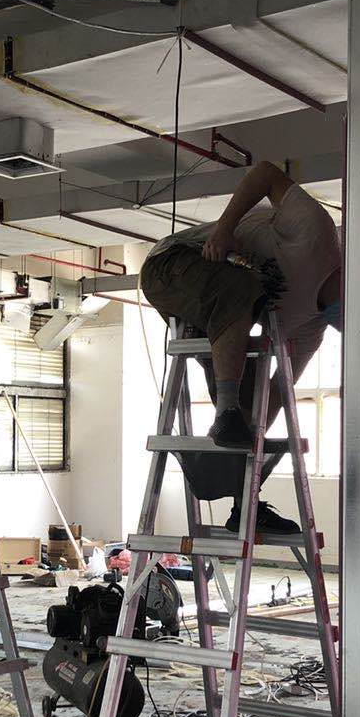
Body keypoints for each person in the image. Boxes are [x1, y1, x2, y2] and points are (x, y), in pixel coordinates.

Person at [139, 160, 342, 534]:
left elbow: (278, 390)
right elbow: (265, 173)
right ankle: (227, 413)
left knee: (251, 399)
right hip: (172, 264)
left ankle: (244, 504)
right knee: (244, 286)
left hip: (217, 308)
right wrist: (224, 228)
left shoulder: (313, 327)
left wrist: (253, 436)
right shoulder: (319, 235)